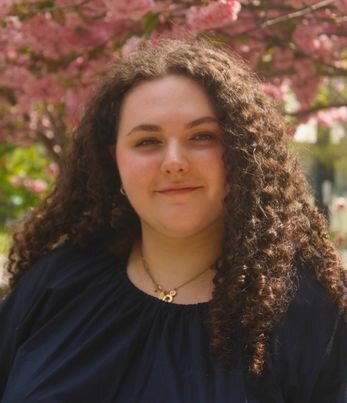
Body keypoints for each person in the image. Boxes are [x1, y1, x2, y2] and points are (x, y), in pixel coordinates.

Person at [0, 39, 346, 403]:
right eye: (148, 141)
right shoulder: (55, 284)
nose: (174, 161)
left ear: (244, 153)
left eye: (201, 137)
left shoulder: (312, 311)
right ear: (113, 161)